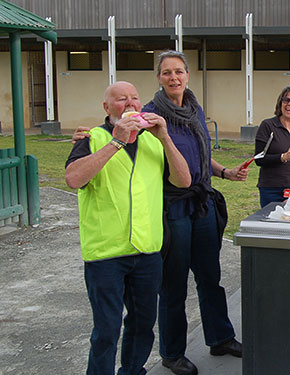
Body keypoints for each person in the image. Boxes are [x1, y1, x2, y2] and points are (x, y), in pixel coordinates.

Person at [73, 51, 249, 375]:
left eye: (179, 71)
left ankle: (220, 336)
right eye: (166, 72)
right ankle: (172, 352)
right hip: (173, 209)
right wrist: (103, 140)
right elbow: (109, 157)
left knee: (211, 278)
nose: (173, 78)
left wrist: (224, 172)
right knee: (174, 285)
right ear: (159, 78)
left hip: (203, 204)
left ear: (187, 75)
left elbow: (198, 154)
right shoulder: (148, 116)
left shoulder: (194, 109)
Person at [65, 81, 191, 375]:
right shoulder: (92, 138)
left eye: (135, 98)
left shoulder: (152, 141)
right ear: (107, 107)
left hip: (147, 250)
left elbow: (183, 180)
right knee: (107, 330)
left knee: (142, 325)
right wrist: (116, 141)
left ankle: (133, 371)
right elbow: (73, 179)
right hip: (106, 253)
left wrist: (165, 137)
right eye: (121, 99)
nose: (130, 104)